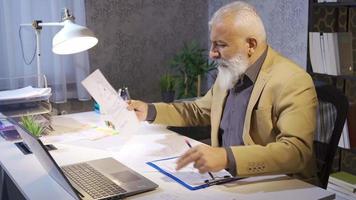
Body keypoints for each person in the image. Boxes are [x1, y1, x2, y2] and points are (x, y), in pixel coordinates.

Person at [127, 1, 318, 182]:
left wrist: (227, 157)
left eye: (221, 45)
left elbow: (296, 151)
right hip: (227, 178)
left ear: (250, 45)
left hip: (276, 184)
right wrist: (149, 111)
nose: (212, 53)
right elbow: (199, 111)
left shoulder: (292, 81)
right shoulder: (231, 70)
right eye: (212, 43)